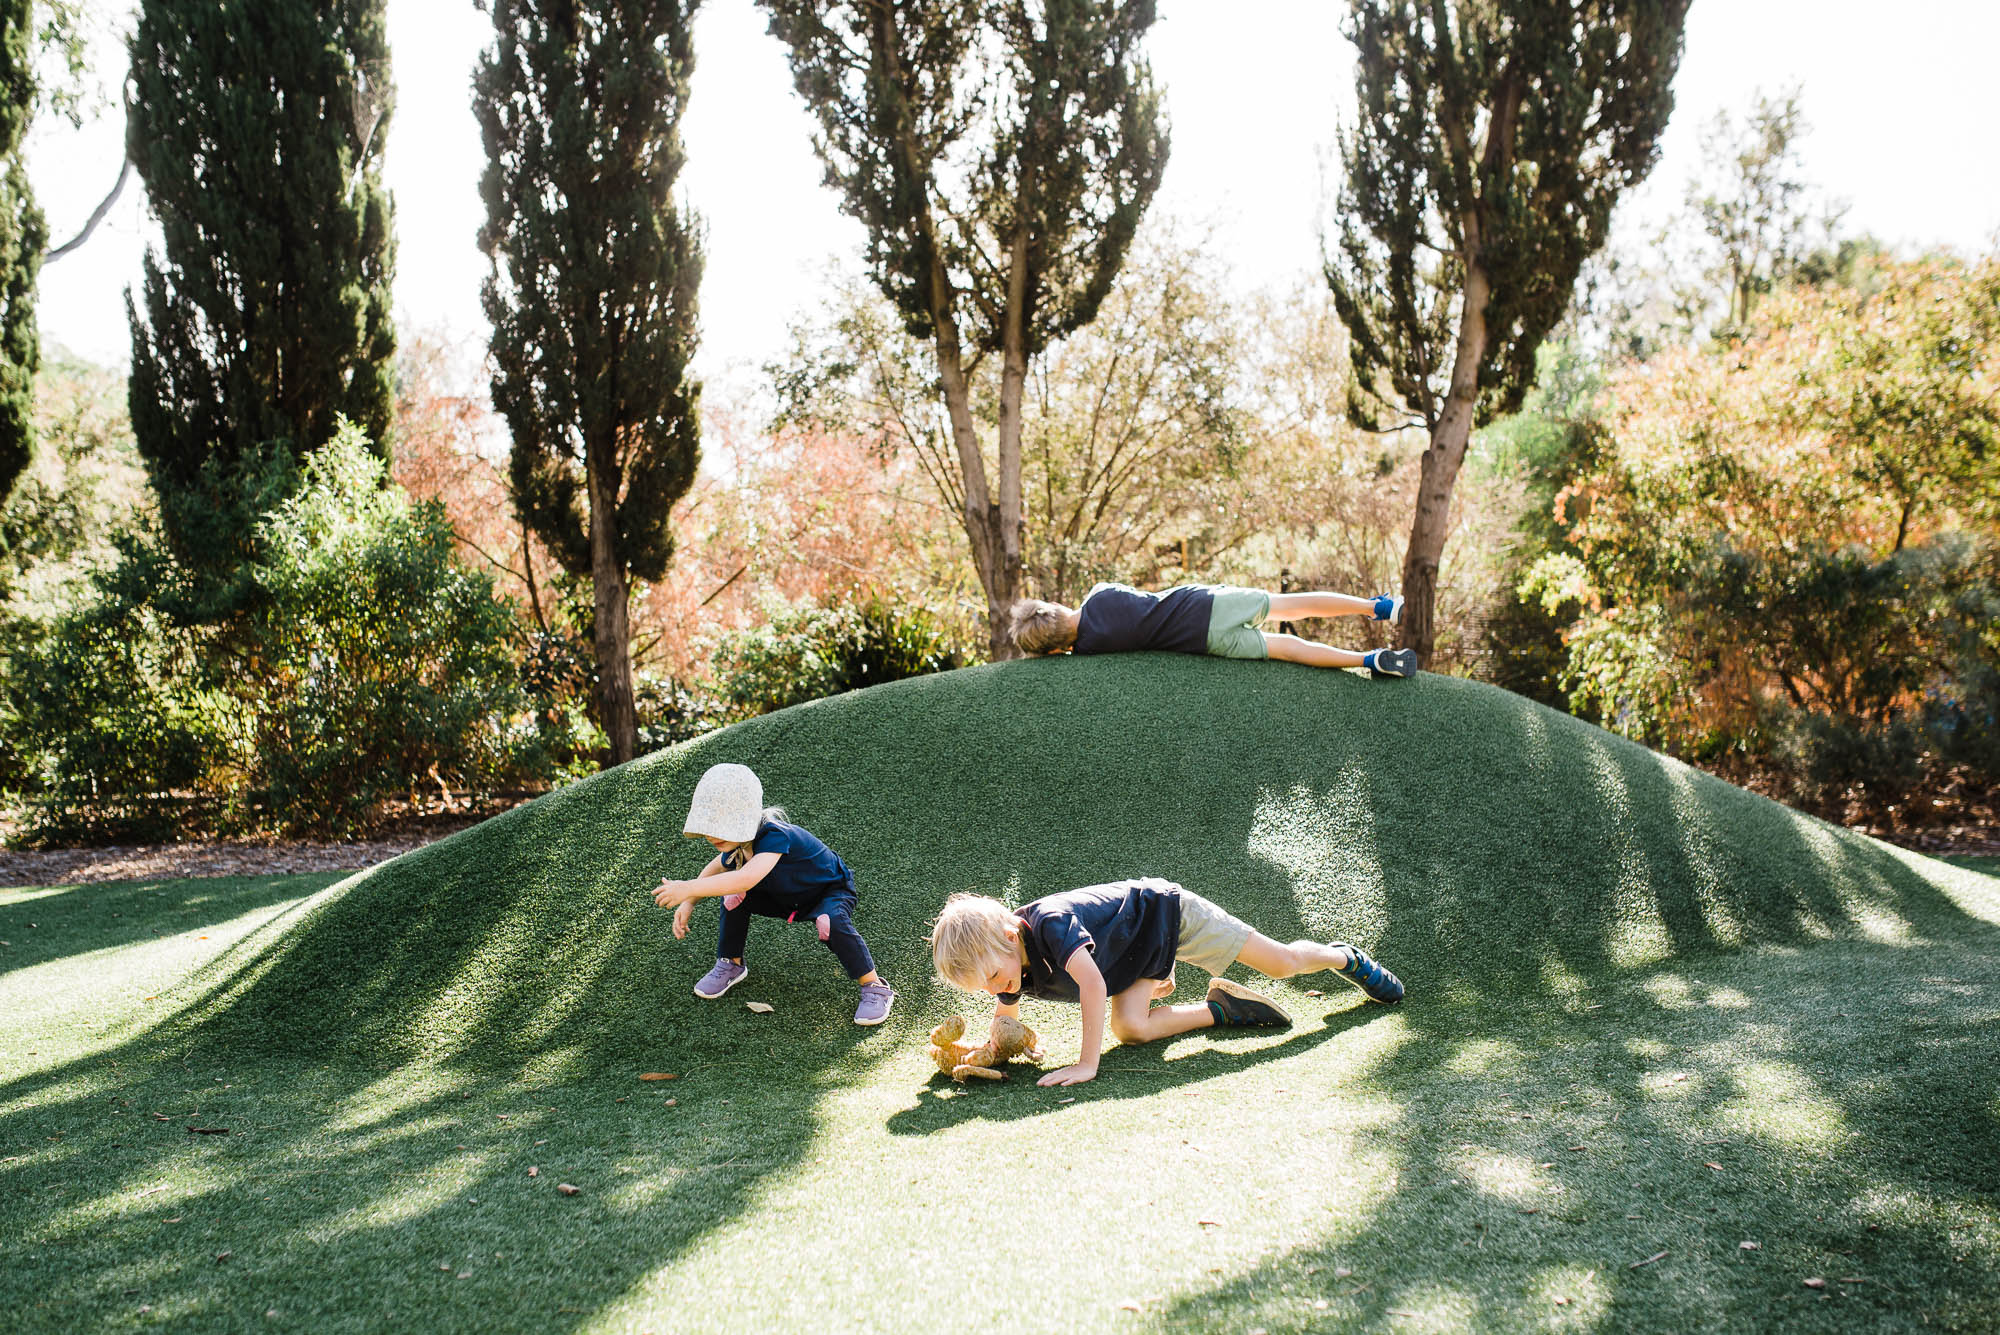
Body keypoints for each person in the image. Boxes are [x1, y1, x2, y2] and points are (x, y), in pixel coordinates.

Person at [927, 877, 1404, 1086]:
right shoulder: (1006, 965)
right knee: (1130, 1028)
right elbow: (1005, 1015)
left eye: (993, 976)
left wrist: (1086, 1063)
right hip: (1133, 956)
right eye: (982, 987)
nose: (995, 987)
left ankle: (1345, 956)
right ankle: (1222, 1008)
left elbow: (1091, 986)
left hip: (1163, 914)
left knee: (1281, 963)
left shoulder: (1049, 924)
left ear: (1013, 935)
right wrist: (987, 1050)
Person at [653, 762, 896, 1026]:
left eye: (721, 824)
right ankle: (732, 963)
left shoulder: (773, 835)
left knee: (830, 922)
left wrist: (687, 887)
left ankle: (874, 986)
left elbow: (746, 877)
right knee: (735, 898)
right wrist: (689, 902)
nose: (712, 834)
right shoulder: (740, 843)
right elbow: (716, 867)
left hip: (827, 892)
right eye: (709, 825)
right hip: (784, 896)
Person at [1009, 583, 1419, 677]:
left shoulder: (1089, 653)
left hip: (1203, 643)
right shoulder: (1098, 596)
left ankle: (1367, 660)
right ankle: (1376, 607)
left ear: (1052, 650)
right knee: (1295, 605)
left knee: (1286, 647)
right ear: (1058, 607)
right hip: (1204, 604)